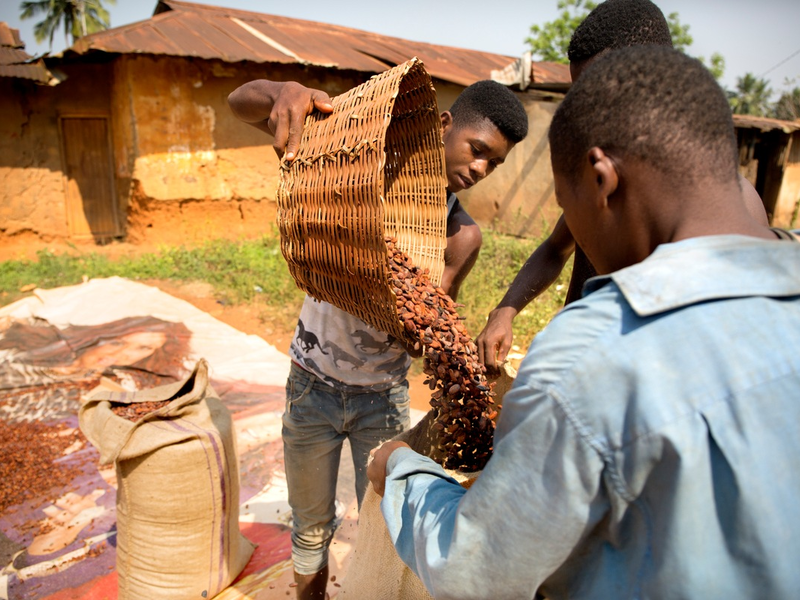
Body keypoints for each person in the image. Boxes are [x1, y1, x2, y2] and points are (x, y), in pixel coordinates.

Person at [367, 45, 800, 599]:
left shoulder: (591, 355)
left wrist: (402, 471)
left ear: (602, 181)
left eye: (568, 206)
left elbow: (474, 573)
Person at [228, 76, 529, 599]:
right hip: (312, 386)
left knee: (385, 522)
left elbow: (431, 313)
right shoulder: (363, 170)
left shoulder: (462, 236)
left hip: (383, 400)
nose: (480, 169)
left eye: (494, 163)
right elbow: (240, 103)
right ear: (442, 127)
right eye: (477, 150)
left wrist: (439, 341)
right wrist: (282, 92)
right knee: (311, 526)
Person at [476, 0, 770, 371]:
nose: (588, 111)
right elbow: (556, 248)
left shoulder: (731, 211)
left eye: (599, 92)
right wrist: (505, 311)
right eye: (580, 95)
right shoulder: (600, 182)